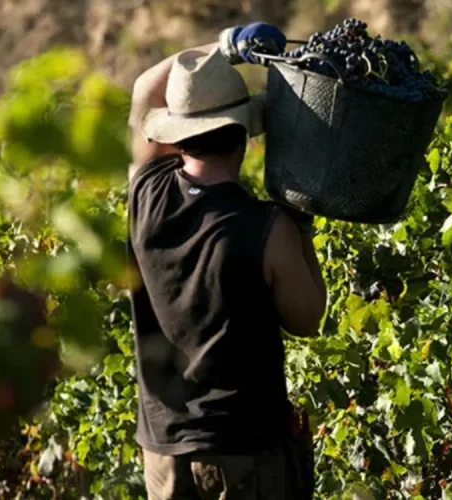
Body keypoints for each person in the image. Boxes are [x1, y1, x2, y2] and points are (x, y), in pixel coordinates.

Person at [125, 21, 326, 500]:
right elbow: (308, 317)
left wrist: (222, 47)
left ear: (177, 134)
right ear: (245, 137)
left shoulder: (146, 192)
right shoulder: (268, 228)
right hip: (244, 452)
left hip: (164, 450)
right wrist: (302, 226)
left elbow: (142, 90)